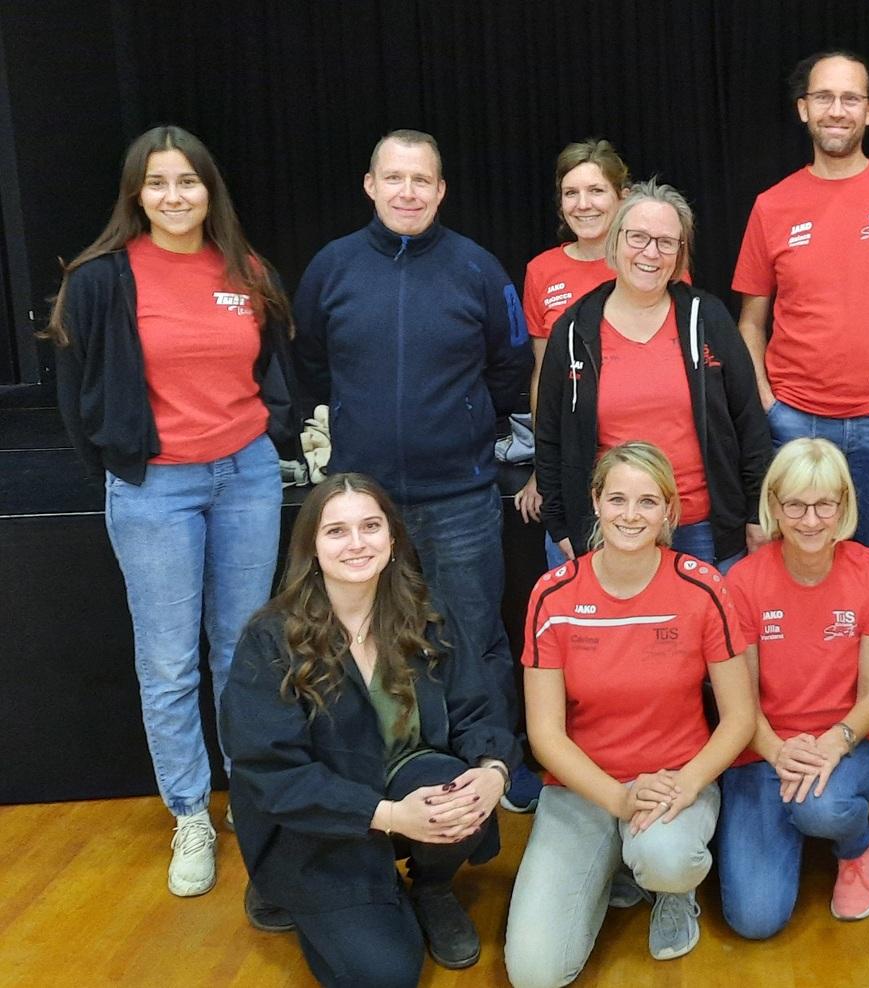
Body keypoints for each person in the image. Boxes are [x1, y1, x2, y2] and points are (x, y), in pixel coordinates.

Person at [47, 125, 301, 898]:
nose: (174, 196)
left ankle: (247, 794)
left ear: (209, 190)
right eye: (157, 183)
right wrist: (122, 470)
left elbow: (271, 368)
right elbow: (75, 392)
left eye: (187, 181)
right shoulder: (102, 279)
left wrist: (269, 436)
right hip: (156, 485)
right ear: (136, 194)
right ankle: (190, 811)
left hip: (247, 479)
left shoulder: (246, 270)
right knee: (167, 663)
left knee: (241, 650)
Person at [294, 128, 537, 805]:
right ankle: (384, 771)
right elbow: (311, 360)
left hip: (459, 497)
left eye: (421, 180)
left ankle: (496, 763)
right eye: (393, 178)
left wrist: (458, 430)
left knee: (475, 635)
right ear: (370, 185)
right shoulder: (331, 268)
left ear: (441, 191)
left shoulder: (479, 270)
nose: (407, 191)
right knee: (365, 640)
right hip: (361, 507)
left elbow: (510, 363)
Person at [223, 474, 517, 985]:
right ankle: (289, 891)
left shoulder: (427, 614)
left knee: (457, 785)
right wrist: (387, 816)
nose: (357, 543)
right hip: (319, 827)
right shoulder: (270, 639)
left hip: (405, 787)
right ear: (311, 547)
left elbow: (478, 706)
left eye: (371, 526)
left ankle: (431, 886)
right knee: (384, 975)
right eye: (336, 531)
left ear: (393, 538)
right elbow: (273, 774)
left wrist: (494, 772)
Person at [504, 442, 754, 987]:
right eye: (617, 499)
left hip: (672, 783)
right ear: (595, 502)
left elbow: (740, 718)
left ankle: (672, 890)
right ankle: (615, 860)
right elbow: (545, 735)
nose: (631, 515)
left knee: (666, 857)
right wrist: (616, 799)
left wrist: (687, 783)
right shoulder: (553, 595)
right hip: (584, 788)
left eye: (647, 501)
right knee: (534, 974)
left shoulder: (703, 586)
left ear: (669, 510)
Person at [733, 49, 869, 553]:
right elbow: (751, 321)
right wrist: (769, 402)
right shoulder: (772, 205)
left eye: (850, 98)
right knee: (799, 568)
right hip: (796, 421)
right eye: (824, 97)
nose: (837, 110)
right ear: (803, 108)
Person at [535, 179, 770, 570]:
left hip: (701, 529)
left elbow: (750, 423)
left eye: (666, 242)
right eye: (638, 237)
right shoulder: (575, 329)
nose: (650, 253)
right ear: (615, 242)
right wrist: (559, 523)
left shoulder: (707, 318)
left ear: (680, 255)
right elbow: (549, 435)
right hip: (609, 530)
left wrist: (757, 513)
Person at [717, 438, 869, 938]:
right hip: (763, 750)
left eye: (824, 504)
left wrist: (832, 745)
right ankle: (789, 825)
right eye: (795, 504)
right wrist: (777, 751)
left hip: (850, 744)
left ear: (844, 505)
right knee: (755, 920)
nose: (811, 520)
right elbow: (741, 703)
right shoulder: (743, 582)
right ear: (773, 506)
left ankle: (854, 846)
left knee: (820, 806)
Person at [515, 138, 630, 554]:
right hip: (572, 463)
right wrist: (540, 471)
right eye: (571, 193)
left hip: (639, 452)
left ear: (623, 197)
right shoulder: (542, 270)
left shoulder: (650, 261)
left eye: (597, 190)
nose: (584, 204)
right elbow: (544, 376)